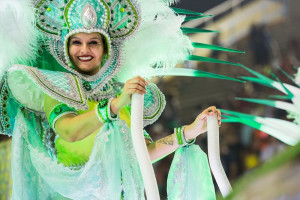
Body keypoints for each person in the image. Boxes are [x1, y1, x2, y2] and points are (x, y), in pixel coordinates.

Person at [0, 0, 221, 199]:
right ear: (66, 47)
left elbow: (142, 154)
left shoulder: (120, 93)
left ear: (106, 47)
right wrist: (114, 106)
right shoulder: (57, 88)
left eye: (93, 42)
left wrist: (190, 131)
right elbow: (70, 131)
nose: (84, 50)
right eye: (76, 42)